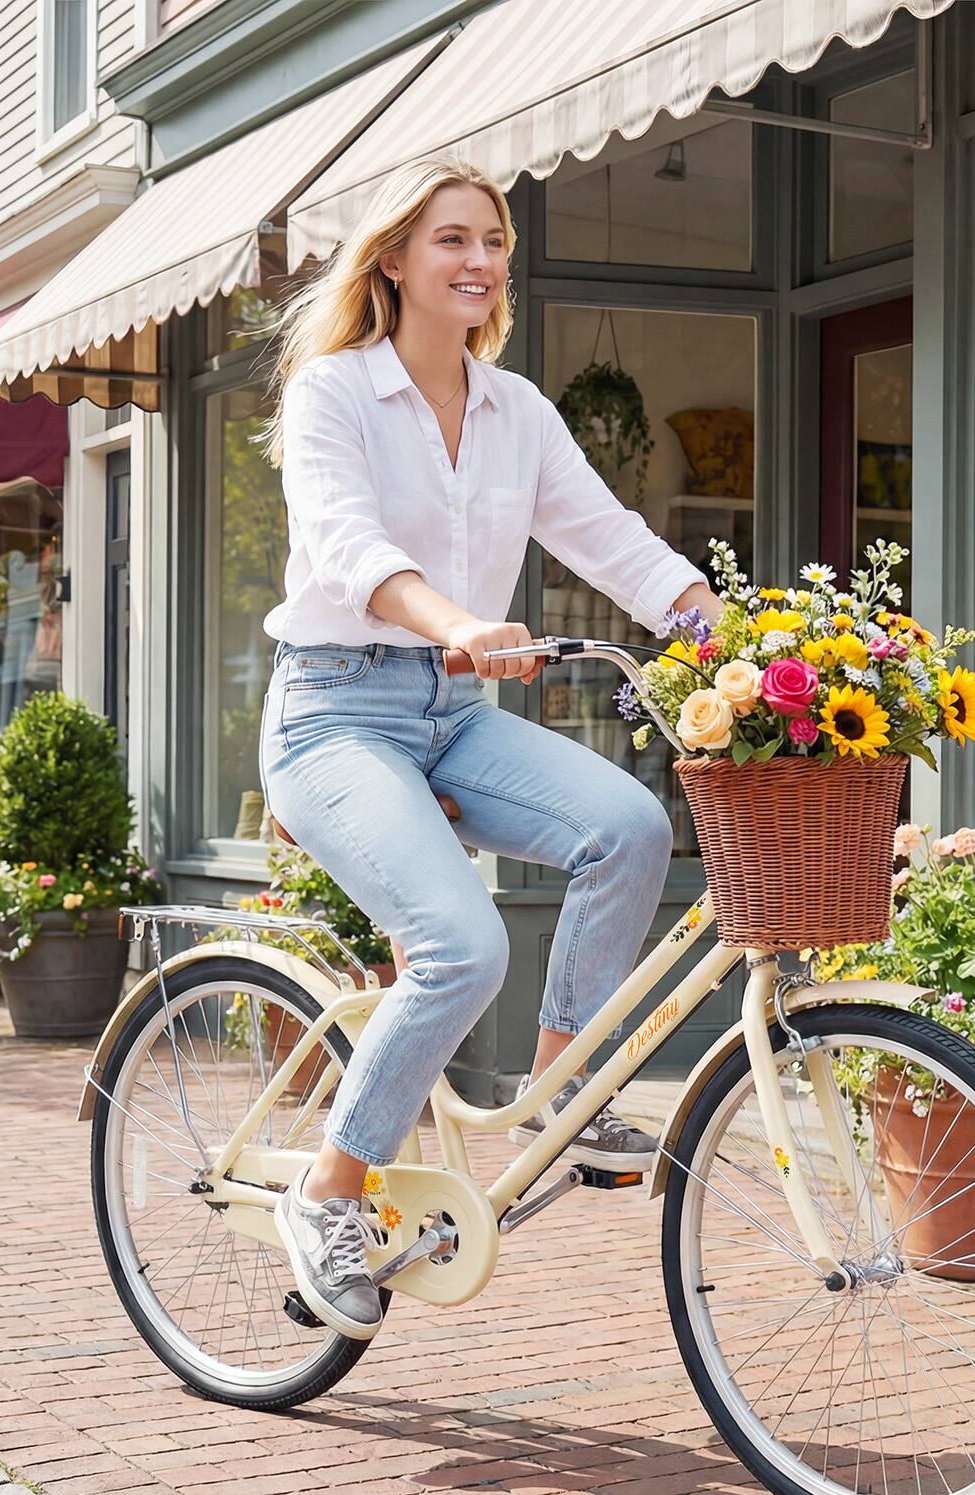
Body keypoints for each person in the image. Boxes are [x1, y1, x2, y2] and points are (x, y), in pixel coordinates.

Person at [256, 157, 723, 1340]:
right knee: (459, 948)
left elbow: (607, 535)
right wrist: (458, 622)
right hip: (333, 708)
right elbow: (350, 545)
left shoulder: (518, 411)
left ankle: (559, 1095)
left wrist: (735, 624)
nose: (479, 261)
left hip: (454, 715)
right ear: (394, 261)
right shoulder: (334, 396)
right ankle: (328, 1194)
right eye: (452, 238)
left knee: (626, 827)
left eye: (494, 242)